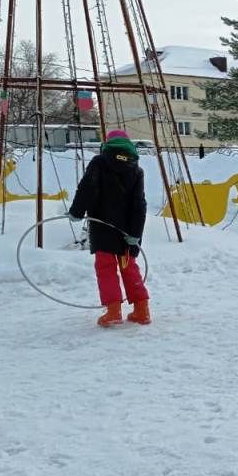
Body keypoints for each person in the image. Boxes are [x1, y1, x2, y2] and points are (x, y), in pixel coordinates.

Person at [68, 129, 150, 327]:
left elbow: (88, 186)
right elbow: (139, 204)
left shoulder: (100, 162)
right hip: (127, 231)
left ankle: (113, 311)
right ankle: (142, 310)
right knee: (129, 267)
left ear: (107, 144)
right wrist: (135, 234)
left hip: (102, 227)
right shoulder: (136, 169)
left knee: (105, 268)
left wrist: (76, 211)